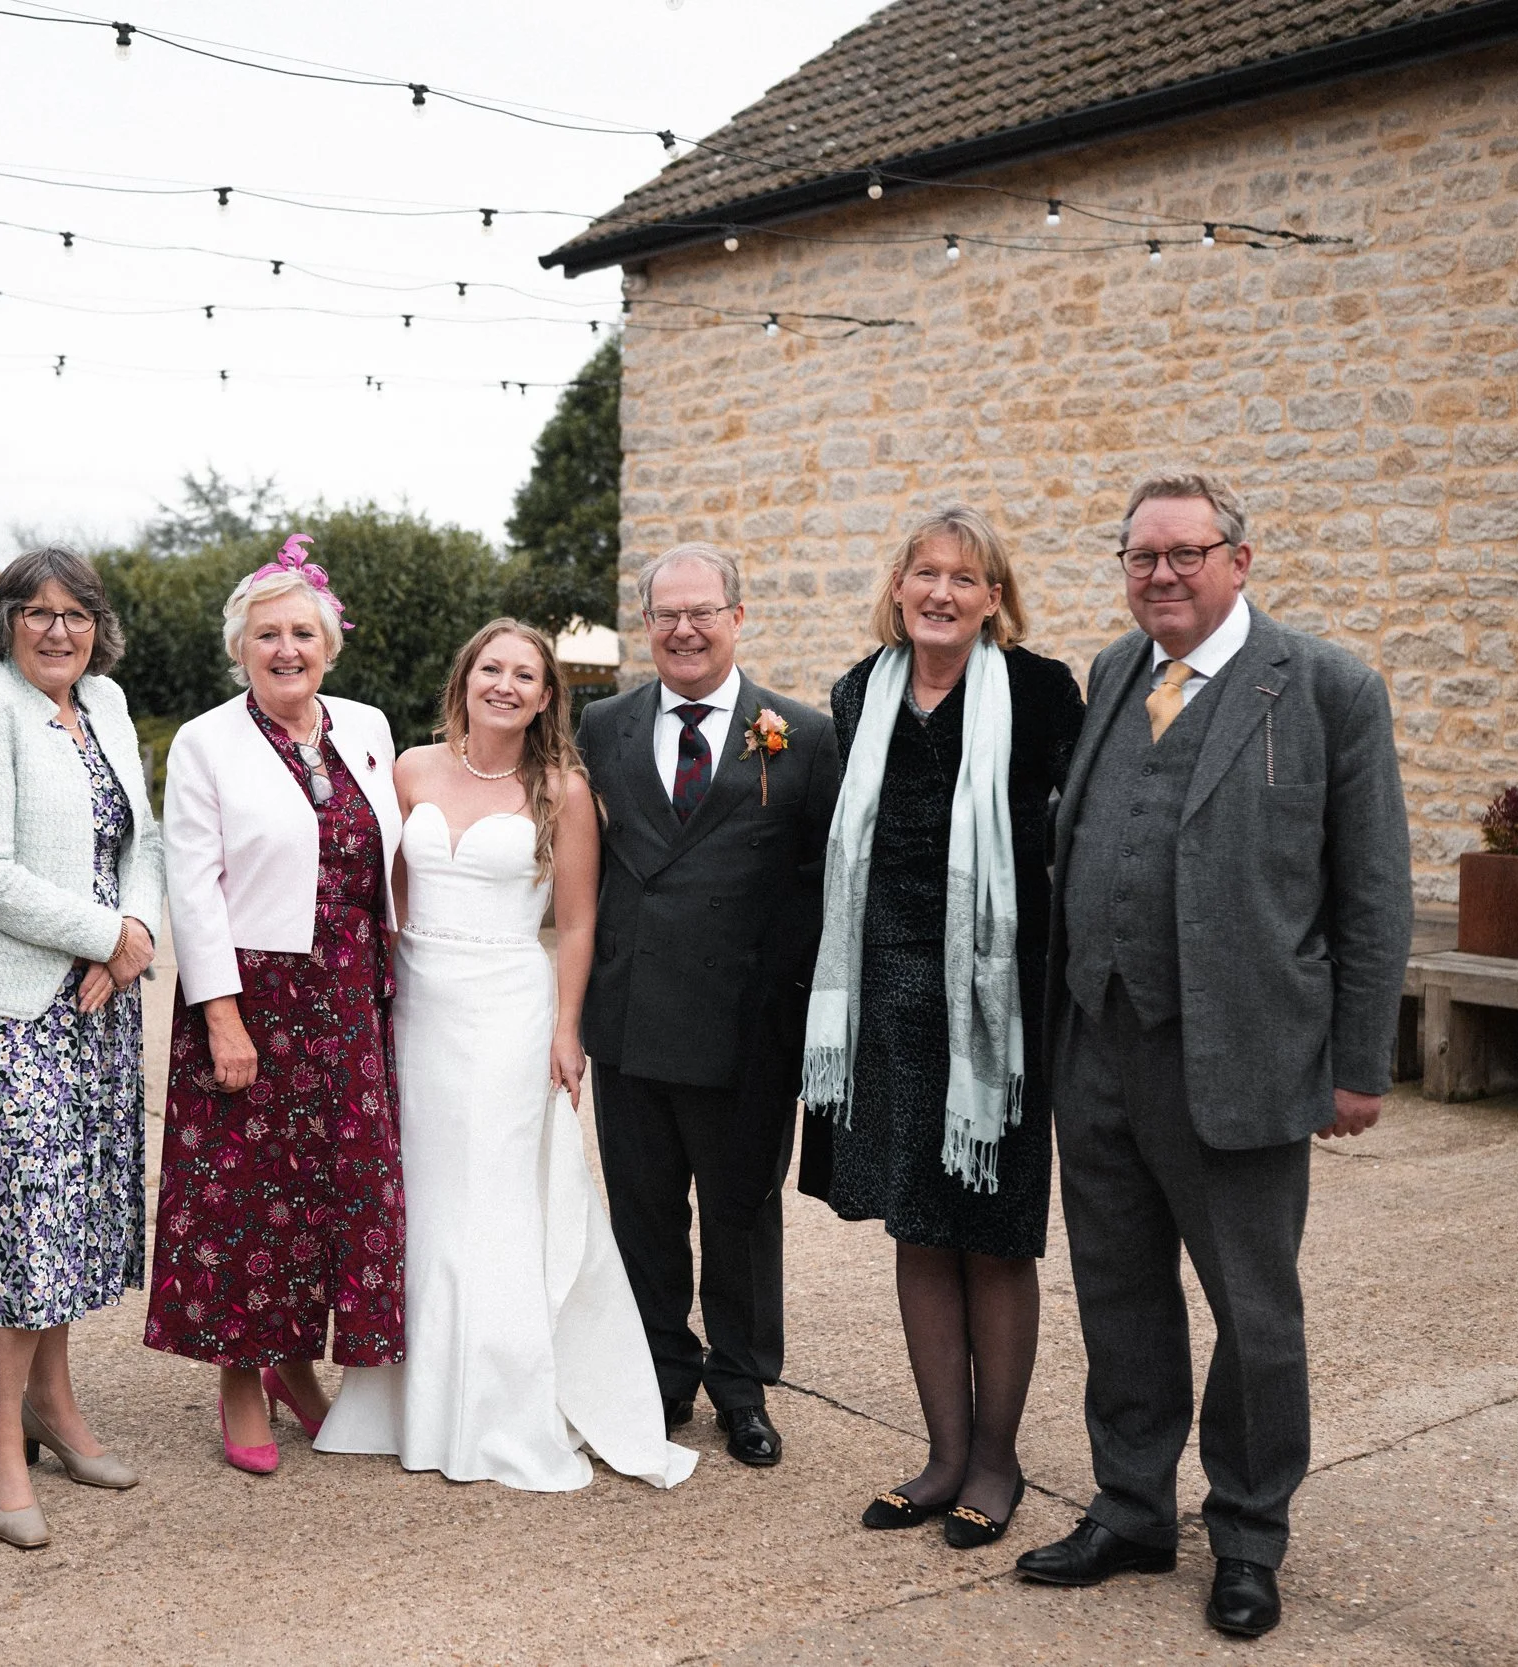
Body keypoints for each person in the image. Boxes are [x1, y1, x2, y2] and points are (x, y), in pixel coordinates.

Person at [1015, 470, 1410, 1638]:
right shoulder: (1107, 671)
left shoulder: (1327, 684)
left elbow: (1373, 889)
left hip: (1240, 1051)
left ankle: (1246, 1530)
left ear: (1239, 558)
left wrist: (1359, 1062)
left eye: (1186, 553)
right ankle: (1132, 1507)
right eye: (1141, 556)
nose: (1162, 574)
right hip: (1097, 1039)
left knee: (1253, 1309)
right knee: (1118, 1291)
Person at [318, 619, 699, 1492]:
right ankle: (399, 1397)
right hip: (419, 1003)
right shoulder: (410, 768)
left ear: (544, 696)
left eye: (525, 674)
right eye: (492, 667)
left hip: (507, 1012)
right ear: (466, 677)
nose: (506, 683)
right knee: (417, 1194)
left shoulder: (561, 790)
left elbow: (577, 922)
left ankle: (493, 1405)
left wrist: (568, 1030)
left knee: (489, 1198)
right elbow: (392, 895)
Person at [801, 507, 1084, 1545]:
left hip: (997, 1011)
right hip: (884, 1001)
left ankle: (997, 1463)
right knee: (917, 1223)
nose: (941, 592)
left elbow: (1076, 834)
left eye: (966, 578)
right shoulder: (856, 691)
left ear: (994, 598)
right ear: (899, 585)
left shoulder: (1045, 692)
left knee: (994, 1235)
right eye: (925, 572)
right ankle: (940, 1454)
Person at [143, 535, 406, 1473]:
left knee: (340, 1195)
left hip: (351, 997)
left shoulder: (367, 727)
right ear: (240, 648)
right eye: (267, 634)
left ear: (328, 643)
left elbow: (393, 860)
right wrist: (221, 1013)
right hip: (256, 996)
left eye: (302, 632)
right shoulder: (208, 740)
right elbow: (193, 883)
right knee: (246, 1204)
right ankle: (241, 1379)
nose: (286, 648)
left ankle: (298, 1361)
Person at [574, 542, 840, 1468]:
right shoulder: (600, 725)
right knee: (643, 1211)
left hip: (745, 1028)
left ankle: (741, 1384)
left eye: (702, 612)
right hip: (633, 1015)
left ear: (737, 616)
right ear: (646, 626)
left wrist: (801, 1008)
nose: (683, 629)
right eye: (664, 615)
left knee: (740, 1211)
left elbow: (821, 881)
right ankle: (660, 1375)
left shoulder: (802, 735)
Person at [0, 547, 162, 1548]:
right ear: (5, 619)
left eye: (76, 613)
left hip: (99, 1002)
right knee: (19, 1222)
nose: (58, 630)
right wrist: (102, 935)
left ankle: (54, 1408)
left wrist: (132, 939)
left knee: (70, 1218)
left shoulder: (101, 701)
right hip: (1, 1006)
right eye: (37, 612)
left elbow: (141, 843)